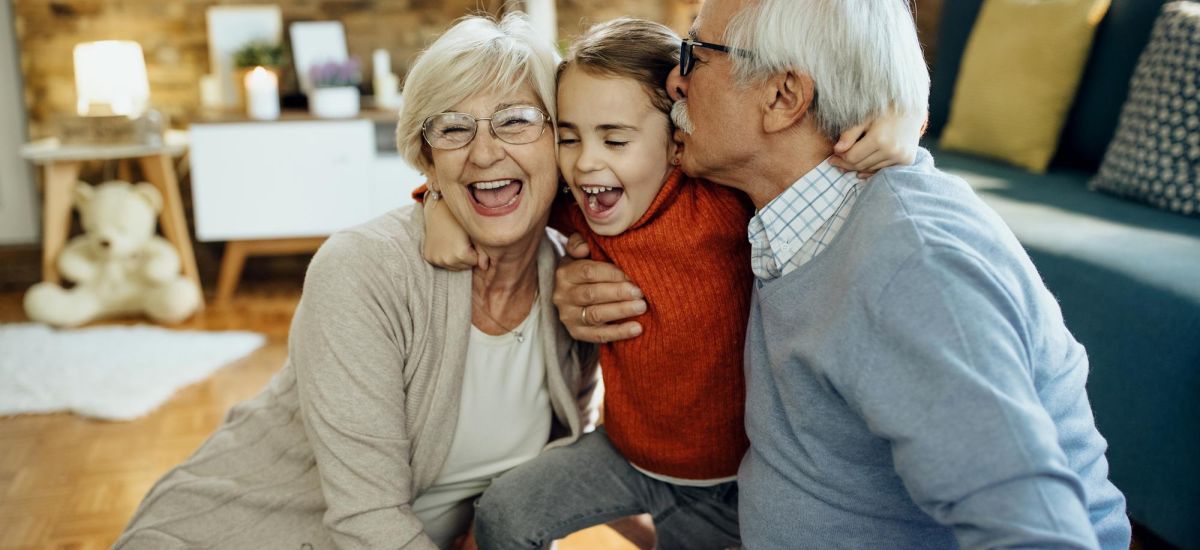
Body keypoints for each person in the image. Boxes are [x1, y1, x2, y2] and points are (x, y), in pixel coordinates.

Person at [556, 0, 1133, 548]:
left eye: (695, 55)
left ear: (783, 96)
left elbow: (1038, 531)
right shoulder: (776, 210)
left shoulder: (913, 271)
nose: (675, 82)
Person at [419, 18, 923, 549]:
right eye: (568, 138)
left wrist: (905, 117)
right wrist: (434, 202)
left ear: (678, 144)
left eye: (615, 139)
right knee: (505, 511)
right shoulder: (580, 206)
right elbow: (496, 193)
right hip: (626, 453)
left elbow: (820, 161)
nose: (587, 162)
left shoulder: (723, 203)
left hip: (732, 478)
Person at [113, 13, 601, 550]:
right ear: (429, 162)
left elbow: (543, 482)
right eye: (454, 128)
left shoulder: (574, 284)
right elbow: (368, 522)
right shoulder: (364, 269)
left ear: (561, 142)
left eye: (516, 121)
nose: (484, 153)